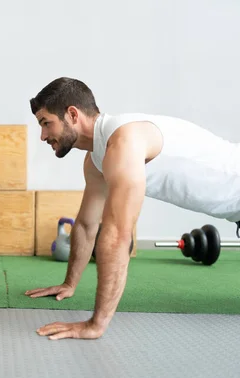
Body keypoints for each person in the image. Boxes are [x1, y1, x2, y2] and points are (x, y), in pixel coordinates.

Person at [25, 77, 240, 340]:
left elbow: (117, 234)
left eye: (46, 123)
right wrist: (70, 283)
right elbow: (85, 224)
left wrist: (96, 324)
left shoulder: (124, 141)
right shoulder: (97, 160)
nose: (43, 136)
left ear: (72, 114)